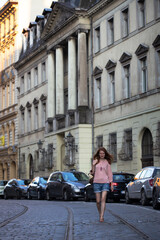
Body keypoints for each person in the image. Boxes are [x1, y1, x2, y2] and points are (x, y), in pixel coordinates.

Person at [90, 147, 113, 222]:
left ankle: (102, 216)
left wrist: (111, 183)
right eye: (100, 153)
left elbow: (110, 173)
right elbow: (92, 173)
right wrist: (93, 165)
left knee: (103, 199)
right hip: (96, 182)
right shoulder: (95, 161)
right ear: (98, 154)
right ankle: (100, 213)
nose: (102, 154)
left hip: (105, 182)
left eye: (103, 153)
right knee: (97, 201)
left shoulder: (107, 162)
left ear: (105, 154)